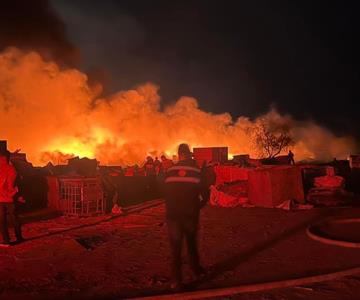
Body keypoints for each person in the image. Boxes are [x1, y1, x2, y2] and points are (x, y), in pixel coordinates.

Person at [161, 143, 210, 290]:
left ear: (179, 155)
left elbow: (163, 191)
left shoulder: (169, 171)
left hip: (173, 215)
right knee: (191, 243)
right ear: (188, 154)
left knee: (175, 248)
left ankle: (176, 281)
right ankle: (195, 270)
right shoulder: (195, 171)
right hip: (190, 214)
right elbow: (205, 193)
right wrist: (198, 206)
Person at [0, 149, 23, 247]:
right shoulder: (13, 169)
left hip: (4, 199)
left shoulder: (4, 169)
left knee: (2, 221)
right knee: (14, 219)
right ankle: (19, 238)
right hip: (9, 198)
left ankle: (6, 240)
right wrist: (16, 194)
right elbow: (17, 184)